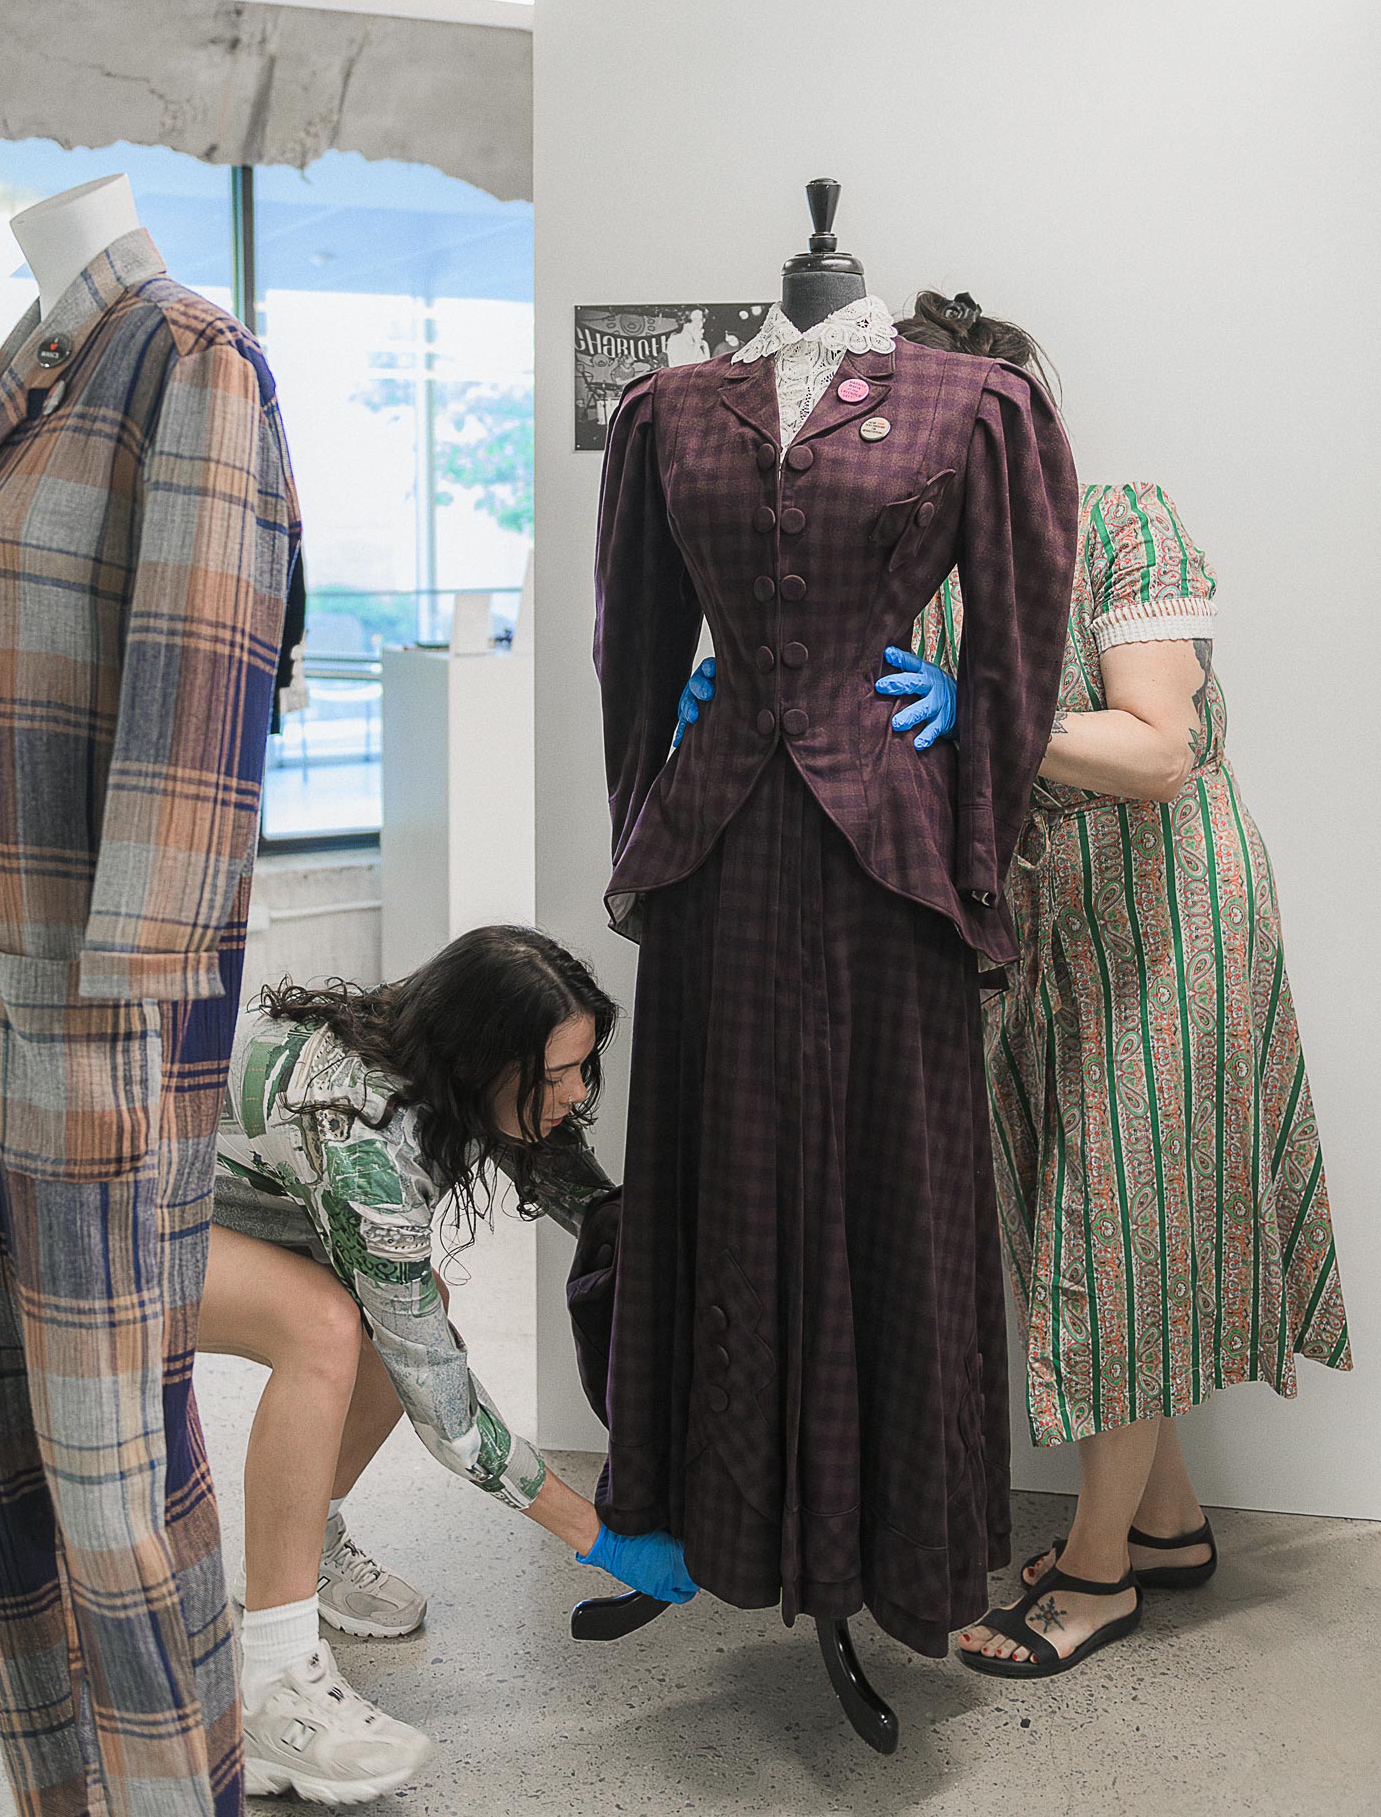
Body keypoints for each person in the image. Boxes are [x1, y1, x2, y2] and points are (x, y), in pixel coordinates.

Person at [676, 288, 1349, 1682]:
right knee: (1090, 1216)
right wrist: (727, 699)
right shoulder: (911, 560)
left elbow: (1158, 748)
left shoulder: (1120, 522)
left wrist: (995, 716)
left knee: (1114, 1223)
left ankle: (1096, 1576)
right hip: (1031, 922)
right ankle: (1164, 1523)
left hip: (1163, 913)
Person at [198, 924, 696, 1804]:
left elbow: (553, 1160)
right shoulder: (368, 1144)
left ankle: (302, 1547)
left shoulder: (443, 1055)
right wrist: (599, 1539)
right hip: (119, 1218)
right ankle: (271, 1690)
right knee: (327, 1327)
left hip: (229, 1197)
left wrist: (636, 1237)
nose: (577, 1095)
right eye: (559, 1076)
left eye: (584, 1066)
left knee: (406, 1303)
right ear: (486, 1063)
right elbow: (449, 1411)